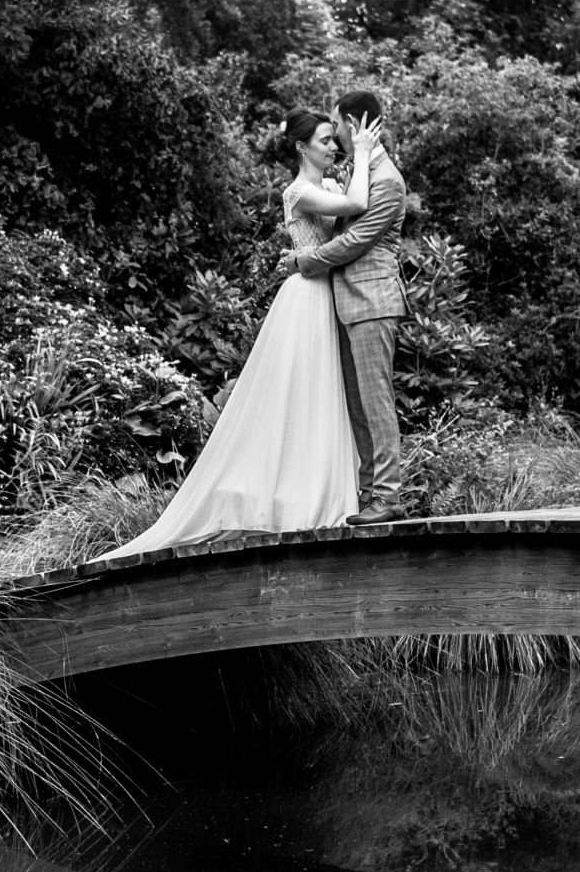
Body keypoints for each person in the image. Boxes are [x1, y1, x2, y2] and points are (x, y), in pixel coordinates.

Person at [92, 108, 379, 561]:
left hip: (331, 297)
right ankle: (287, 501)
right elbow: (358, 205)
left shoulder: (327, 185)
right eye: (324, 140)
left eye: (333, 139)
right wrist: (363, 153)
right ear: (302, 147)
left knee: (326, 397)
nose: (332, 146)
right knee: (297, 394)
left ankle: (327, 495)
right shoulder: (299, 191)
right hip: (305, 299)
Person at [278, 88, 409, 525]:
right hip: (349, 303)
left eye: (338, 127)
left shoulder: (386, 179)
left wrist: (304, 261)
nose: (335, 138)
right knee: (358, 406)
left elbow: (355, 240)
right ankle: (370, 493)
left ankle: (388, 498)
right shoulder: (360, 171)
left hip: (372, 300)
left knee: (375, 401)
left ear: (354, 125)